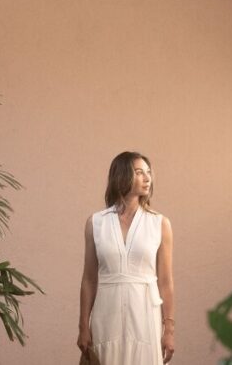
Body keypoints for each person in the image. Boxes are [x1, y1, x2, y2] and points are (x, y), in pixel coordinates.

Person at [77, 151, 175, 365]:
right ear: (121, 176)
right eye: (139, 173)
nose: (147, 178)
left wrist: (169, 329)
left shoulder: (160, 223)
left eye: (148, 172)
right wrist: (83, 327)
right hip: (106, 314)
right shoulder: (96, 223)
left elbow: (166, 282)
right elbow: (89, 280)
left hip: (145, 315)